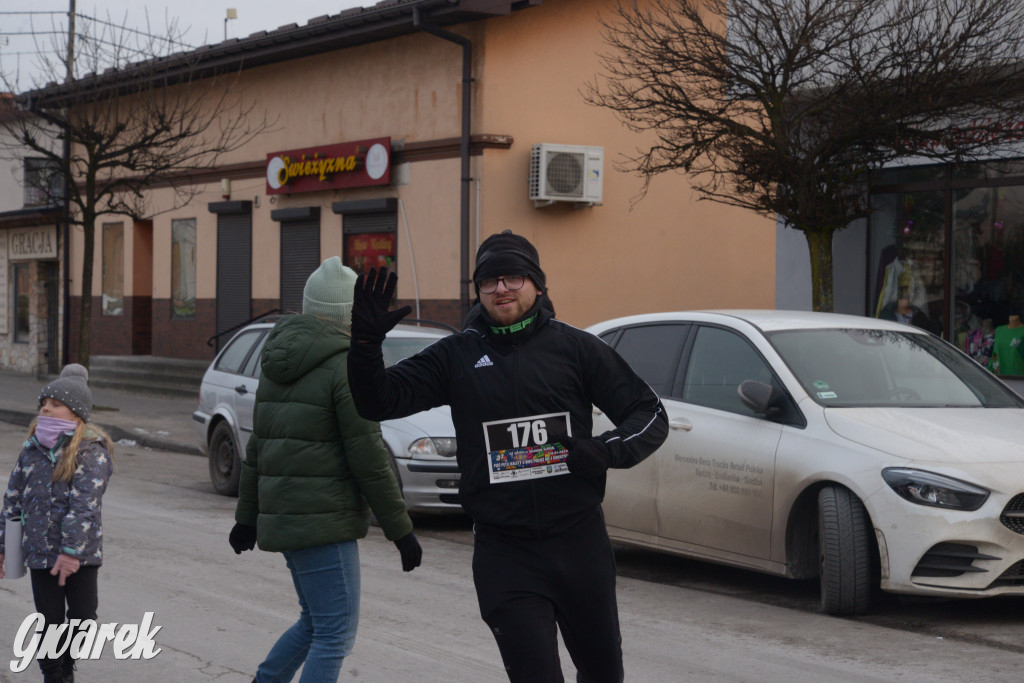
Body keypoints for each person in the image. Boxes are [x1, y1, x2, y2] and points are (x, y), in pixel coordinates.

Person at [347, 230, 668, 683]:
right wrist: (364, 348)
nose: (501, 288)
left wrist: (605, 450)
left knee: (603, 674)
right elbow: (377, 402)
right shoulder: (457, 356)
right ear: (478, 290)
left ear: (537, 284)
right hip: (505, 552)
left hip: (579, 545)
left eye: (513, 277)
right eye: (489, 280)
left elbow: (650, 412)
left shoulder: (575, 348)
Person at [229, 256, 422, 683]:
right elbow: (369, 458)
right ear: (351, 315)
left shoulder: (278, 362)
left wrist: (247, 518)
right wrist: (401, 531)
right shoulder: (346, 368)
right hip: (324, 522)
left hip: (289, 518)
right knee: (335, 633)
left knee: (315, 622)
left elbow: (258, 447)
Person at [0, 364, 114, 683]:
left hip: (80, 555)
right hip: (40, 552)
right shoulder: (32, 449)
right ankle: (55, 676)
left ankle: (66, 666)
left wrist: (71, 552)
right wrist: (4, 546)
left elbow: (84, 506)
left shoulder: (91, 452)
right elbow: (13, 499)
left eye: (55, 403)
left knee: (82, 619)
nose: (46, 408)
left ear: (76, 414)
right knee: (50, 621)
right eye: (44, 403)